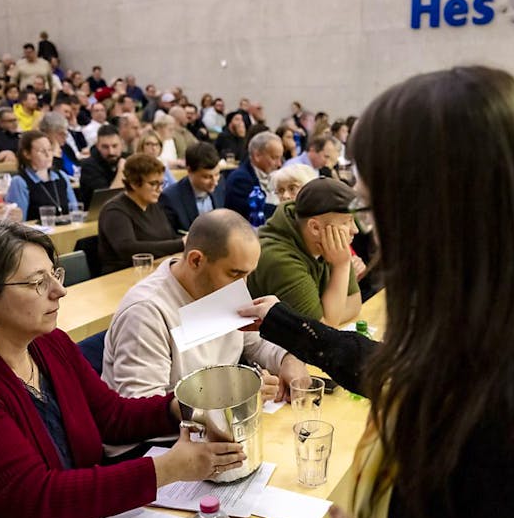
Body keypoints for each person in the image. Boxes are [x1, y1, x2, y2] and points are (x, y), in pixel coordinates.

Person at [240, 66, 514, 518]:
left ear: (443, 215)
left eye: (380, 211)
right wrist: (283, 323)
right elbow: (402, 378)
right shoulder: (493, 326)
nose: (376, 238)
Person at [0, 220, 246, 518]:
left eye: (55, 274)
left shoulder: (49, 344)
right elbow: (35, 499)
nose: (59, 290)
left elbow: (112, 416)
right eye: (38, 283)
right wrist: (168, 469)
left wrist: (183, 405)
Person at [102, 210, 308, 447]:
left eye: (248, 274)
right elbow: (141, 411)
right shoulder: (146, 312)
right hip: (156, 448)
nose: (243, 286)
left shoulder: (215, 286)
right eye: (235, 273)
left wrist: (288, 359)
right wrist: (233, 399)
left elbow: (256, 341)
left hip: (215, 432)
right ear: (196, 260)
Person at [247, 177, 362, 326]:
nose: (355, 230)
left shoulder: (328, 244)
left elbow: (355, 303)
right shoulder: (280, 260)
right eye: (346, 222)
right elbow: (323, 330)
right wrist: (342, 266)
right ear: (315, 227)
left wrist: (329, 314)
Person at [97, 153, 184, 274]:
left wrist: (187, 240)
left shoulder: (153, 204)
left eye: (161, 183)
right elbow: (128, 249)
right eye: (153, 184)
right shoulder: (114, 211)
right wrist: (180, 244)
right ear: (133, 183)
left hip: (154, 271)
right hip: (122, 275)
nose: (160, 189)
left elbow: (169, 236)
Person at [6, 130, 78, 221]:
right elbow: (19, 222)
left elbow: (75, 210)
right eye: (42, 151)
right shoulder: (20, 182)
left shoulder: (62, 176)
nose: (48, 155)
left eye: (49, 150)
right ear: (27, 154)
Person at [160, 142, 225, 233]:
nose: (215, 182)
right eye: (206, 177)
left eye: (217, 174)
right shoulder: (170, 198)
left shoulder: (220, 184)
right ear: (189, 170)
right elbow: (171, 237)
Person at [223, 132, 284, 221]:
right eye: (274, 158)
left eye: (280, 158)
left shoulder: (274, 174)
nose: (279, 164)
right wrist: (285, 210)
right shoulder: (240, 179)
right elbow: (257, 212)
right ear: (257, 156)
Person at [78, 124, 125, 205]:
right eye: (105, 147)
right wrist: (121, 171)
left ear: (121, 145)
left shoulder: (127, 159)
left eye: (115, 146)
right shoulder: (89, 166)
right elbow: (108, 201)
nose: (111, 152)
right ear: (98, 146)